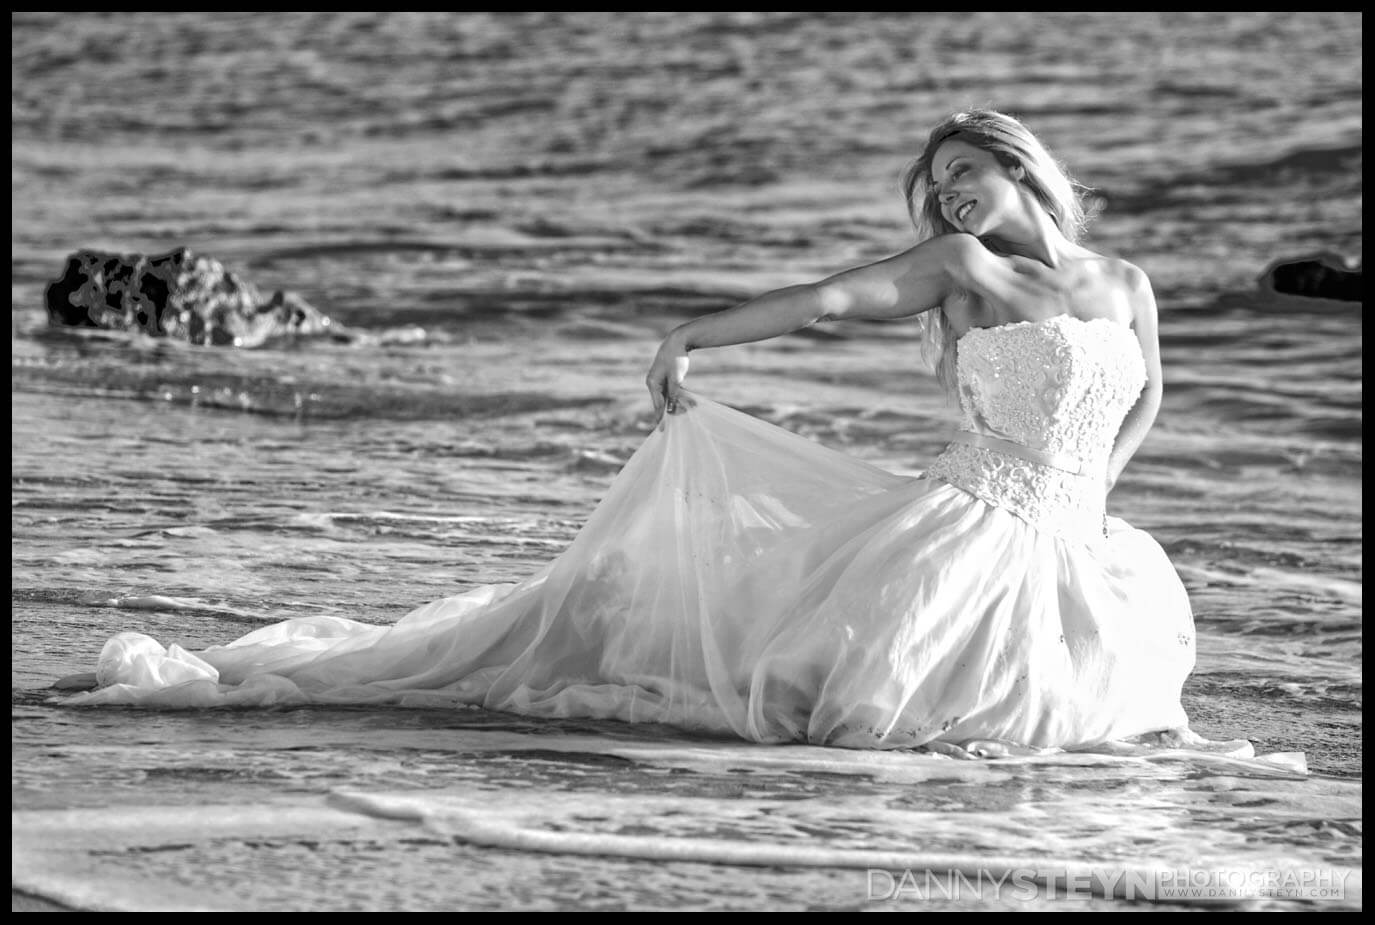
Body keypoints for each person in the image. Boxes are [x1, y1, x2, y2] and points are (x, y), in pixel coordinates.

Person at [59, 110, 1197, 754]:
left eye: (961, 173)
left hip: (1073, 533)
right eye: (936, 184)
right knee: (861, 706)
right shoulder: (963, 269)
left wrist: (1097, 494)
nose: (946, 195)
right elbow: (828, 299)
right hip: (970, 517)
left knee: (1063, 720)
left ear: (1015, 164)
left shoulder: (1125, 282)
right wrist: (692, 334)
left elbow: (1143, 396)